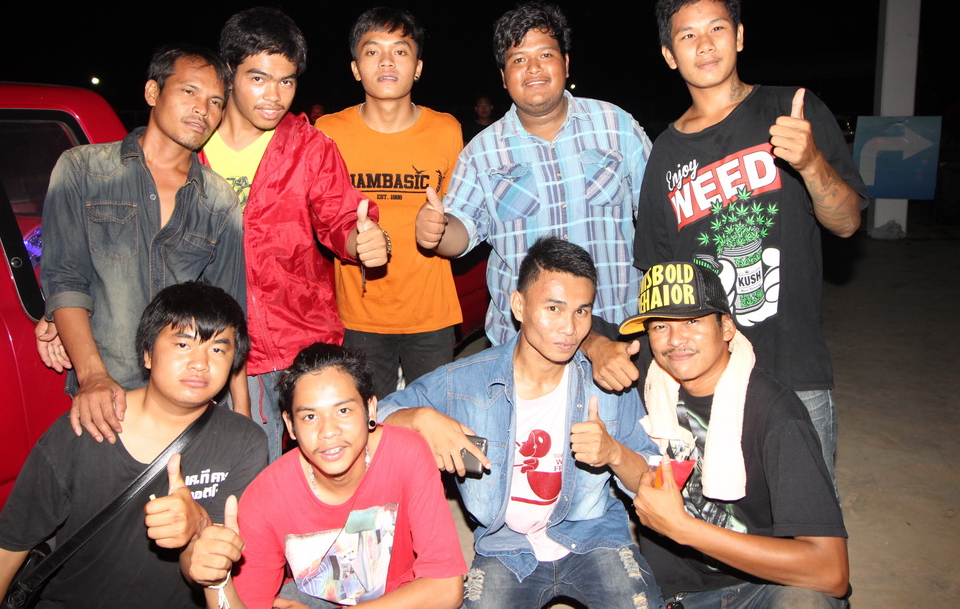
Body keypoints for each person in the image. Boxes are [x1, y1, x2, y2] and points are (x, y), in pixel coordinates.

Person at [634, 0, 867, 472]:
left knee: (808, 512)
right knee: (719, 510)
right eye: (687, 35)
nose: (705, 44)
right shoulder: (665, 154)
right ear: (669, 55)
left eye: (717, 28)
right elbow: (659, 275)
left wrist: (811, 163)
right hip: (706, 375)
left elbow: (847, 222)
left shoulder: (792, 110)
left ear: (739, 36)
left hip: (793, 367)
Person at [378, 237, 662, 609]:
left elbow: (651, 481)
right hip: (505, 546)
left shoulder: (605, 382)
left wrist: (614, 453)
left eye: (581, 311)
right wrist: (420, 419)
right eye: (554, 308)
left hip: (593, 537)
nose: (569, 328)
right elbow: (373, 420)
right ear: (519, 306)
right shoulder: (467, 382)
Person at [0, 282, 269, 608]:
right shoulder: (84, 428)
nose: (200, 363)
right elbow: (3, 552)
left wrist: (198, 526)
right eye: (182, 344)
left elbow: (204, 567)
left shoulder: (243, 443)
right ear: (147, 354)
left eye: (218, 349)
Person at [414, 1, 652, 392]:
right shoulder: (482, 152)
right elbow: (460, 233)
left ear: (566, 63)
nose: (534, 68)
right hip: (525, 350)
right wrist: (436, 231)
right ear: (504, 76)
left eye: (545, 55)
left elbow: (659, 216)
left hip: (620, 334)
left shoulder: (616, 126)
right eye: (519, 59)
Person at [202, 6, 389, 461]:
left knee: (327, 466)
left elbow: (341, 220)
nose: (275, 96)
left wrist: (363, 241)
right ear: (228, 73)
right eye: (258, 78)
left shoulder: (309, 148)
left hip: (299, 342)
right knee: (239, 474)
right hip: (213, 346)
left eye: (286, 81)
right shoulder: (190, 146)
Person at [35, 45, 246, 445]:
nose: (202, 109)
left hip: (189, 402)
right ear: (153, 92)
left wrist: (242, 408)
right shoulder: (83, 170)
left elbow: (228, 310)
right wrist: (92, 376)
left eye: (215, 101)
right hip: (105, 399)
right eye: (189, 91)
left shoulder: (219, 199)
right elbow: (65, 280)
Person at [622, 261, 849, 606]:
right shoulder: (649, 379)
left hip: (767, 586)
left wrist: (684, 528)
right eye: (660, 325)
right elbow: (577, 326)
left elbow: (831, 571)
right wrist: (598, 346)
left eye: (693, 321)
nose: (675, 339)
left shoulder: (776, 413)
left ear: (727, 327)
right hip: (682, 593)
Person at [186, 343, 466, 608]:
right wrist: (217, 583)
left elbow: (445, 587)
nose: (328, 432)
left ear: (370, 409)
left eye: (343, 410)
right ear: (290, 425)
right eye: (310, 417)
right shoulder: (266, 497)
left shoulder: (406, 453)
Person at [316, 7, 463, 397]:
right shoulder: (328, 132)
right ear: (355, 68)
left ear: (418, 67)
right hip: (357, 316)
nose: (386, 61)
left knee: (432, 423)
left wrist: (441, 227)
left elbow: (462, 218)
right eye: (372, 51)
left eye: (400, 51)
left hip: (431, 315)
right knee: (366, 422)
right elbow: (319, 219)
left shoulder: (447, 130)